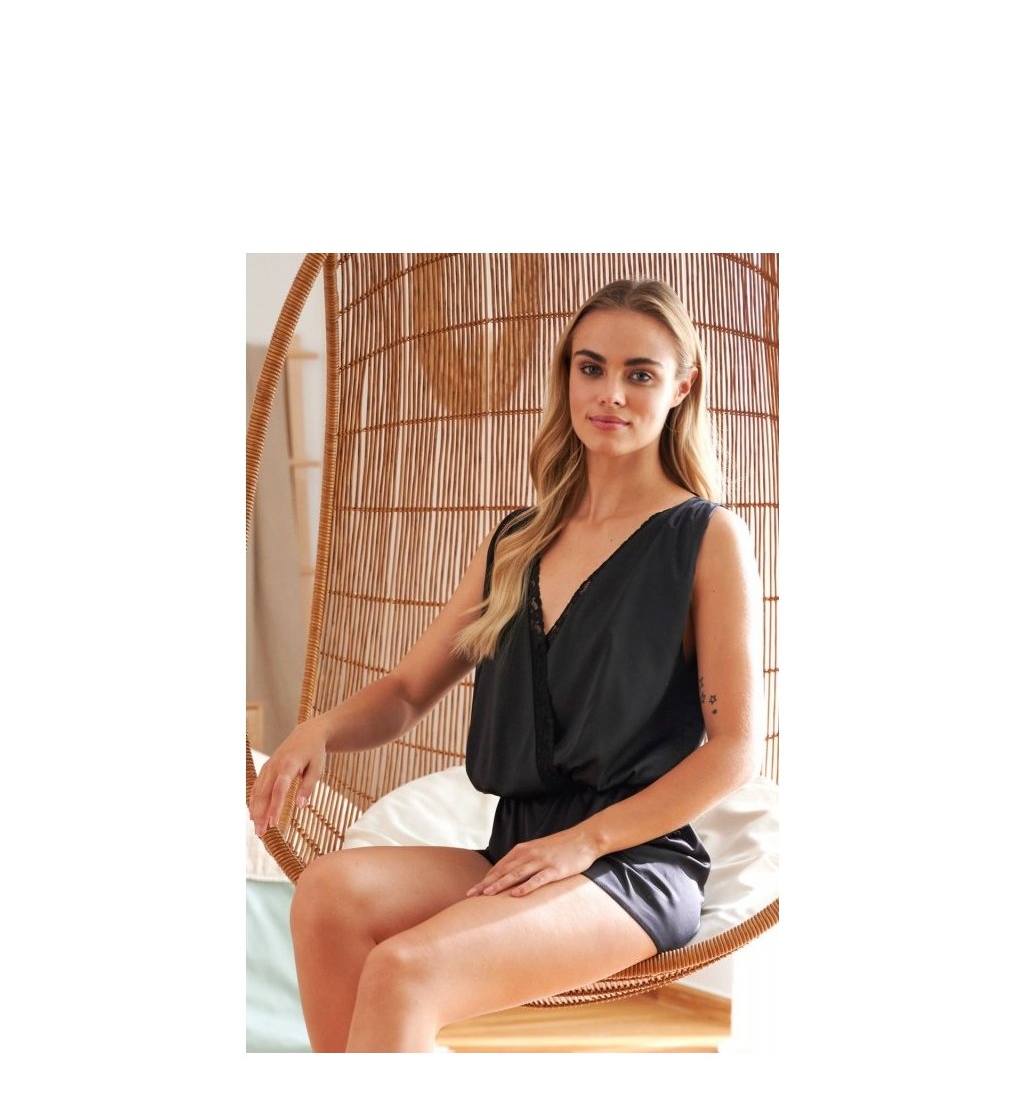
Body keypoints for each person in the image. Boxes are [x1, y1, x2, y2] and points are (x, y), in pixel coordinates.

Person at [248, 278, 763, 1053]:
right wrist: (318, 729)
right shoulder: (519, 540)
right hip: (516, 848)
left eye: (640, 374)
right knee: (325, 893)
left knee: (406, 970)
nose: (611, 393)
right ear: (567, 377)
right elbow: (406, 691)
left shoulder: (706, 538)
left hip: (630, 864)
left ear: (682, 387)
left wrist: (583, 842)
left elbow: (735, 751)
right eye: (590, 368)